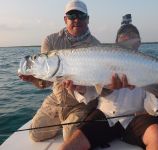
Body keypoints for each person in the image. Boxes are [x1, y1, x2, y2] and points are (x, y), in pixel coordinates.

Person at [59, 14, 158, 150]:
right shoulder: (103, 58)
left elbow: (154, 110)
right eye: (123, 34)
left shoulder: (150, 65)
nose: (127, 37)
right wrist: (80, 88)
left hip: (137, 118)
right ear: (116, 41)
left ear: (139, 42)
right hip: (106, 116)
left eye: (132, 34)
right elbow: (91, 94)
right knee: (68, 146)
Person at [19, 0, 100, 141]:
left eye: (81, 16)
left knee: (70, 138)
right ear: (65, 19)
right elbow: (46, 81)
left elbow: (98, 86)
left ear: (88, 19)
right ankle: (65, 122)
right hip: (57, 99)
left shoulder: (96, 46)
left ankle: (76, 122)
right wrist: (34, 79)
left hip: (82, 103)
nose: (76, 20)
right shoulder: (51, 40)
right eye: (72, 16)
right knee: (35, 135)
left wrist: (82, 88)